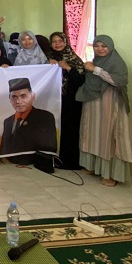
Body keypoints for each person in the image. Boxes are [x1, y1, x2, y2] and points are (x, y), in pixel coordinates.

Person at [76, 35, 132, 186]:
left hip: (110, 103)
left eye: (104, 46)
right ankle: (93, 166)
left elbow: (119, 81)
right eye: (97, 46)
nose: (100, 49)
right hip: (94, 103)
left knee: (109, 136)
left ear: (110, 47)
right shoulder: (96, 60)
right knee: (94, 134)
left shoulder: (116, 62)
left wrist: (96, 70)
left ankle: (111, 174)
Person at [49, 32, 86, 170]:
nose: (57, 44)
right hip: (54, 100)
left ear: (65, 42)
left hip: (72, 101)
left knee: (71, 130)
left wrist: (68, 68)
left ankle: (72, 161)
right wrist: (49, 65)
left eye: (60, 41)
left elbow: (81, 80)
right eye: (54, 41)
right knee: (57, 129)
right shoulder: (48, 57)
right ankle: (57, 159)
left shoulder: (74, 59)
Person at [0, 78, 57, 165]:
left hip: (33, 166)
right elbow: (4, 149)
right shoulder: (8, 121)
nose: (18, 101)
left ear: (33, 97)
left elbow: (49, 147)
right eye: (14, 97)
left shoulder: (45, 117)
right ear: (10, 99)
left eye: (23, 96)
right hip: (10, 167)